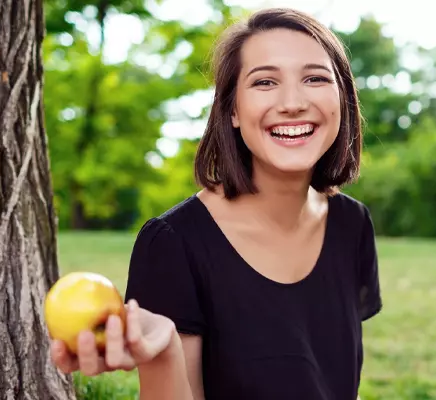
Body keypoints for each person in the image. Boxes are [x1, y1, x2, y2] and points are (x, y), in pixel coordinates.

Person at [49, 7, 382, 400]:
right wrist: (164, 353)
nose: (293, 102)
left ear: (342, 99)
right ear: (234, 110)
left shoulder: (352, 222)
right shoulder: (173, 244)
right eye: (265, 82)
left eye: (314, 78)